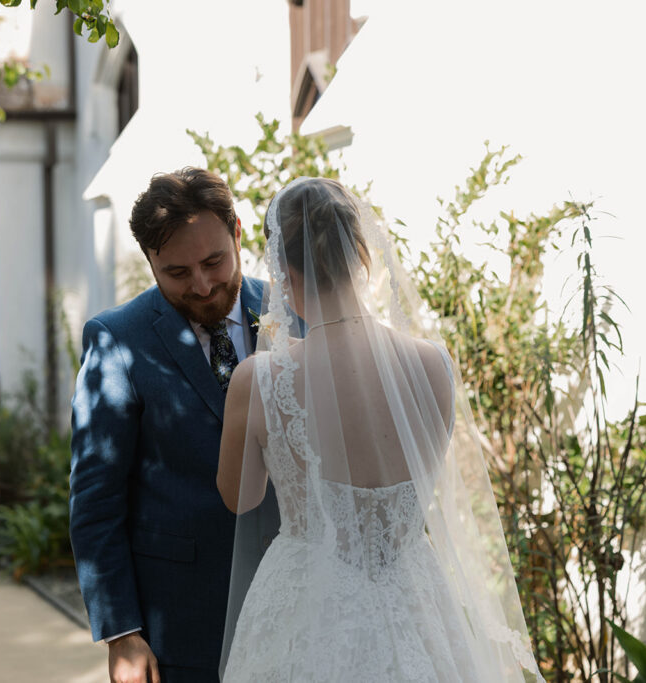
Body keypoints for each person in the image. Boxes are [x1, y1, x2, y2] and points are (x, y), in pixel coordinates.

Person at [216, 177, 544, 681]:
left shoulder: (259, 379)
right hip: (414, 601)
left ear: (281, 268)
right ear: (361, 252)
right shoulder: (432, 364)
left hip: (305, 609)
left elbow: (241, 498)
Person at [70, 167, 279, 683]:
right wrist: (122, 633)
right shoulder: (116, 340)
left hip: (293, 600)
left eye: (214, 262)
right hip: (182, 623)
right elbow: (95, 504)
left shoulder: (291, 312)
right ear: (150, 261)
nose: (204, 285)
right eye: (178, 273)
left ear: (237, 232)